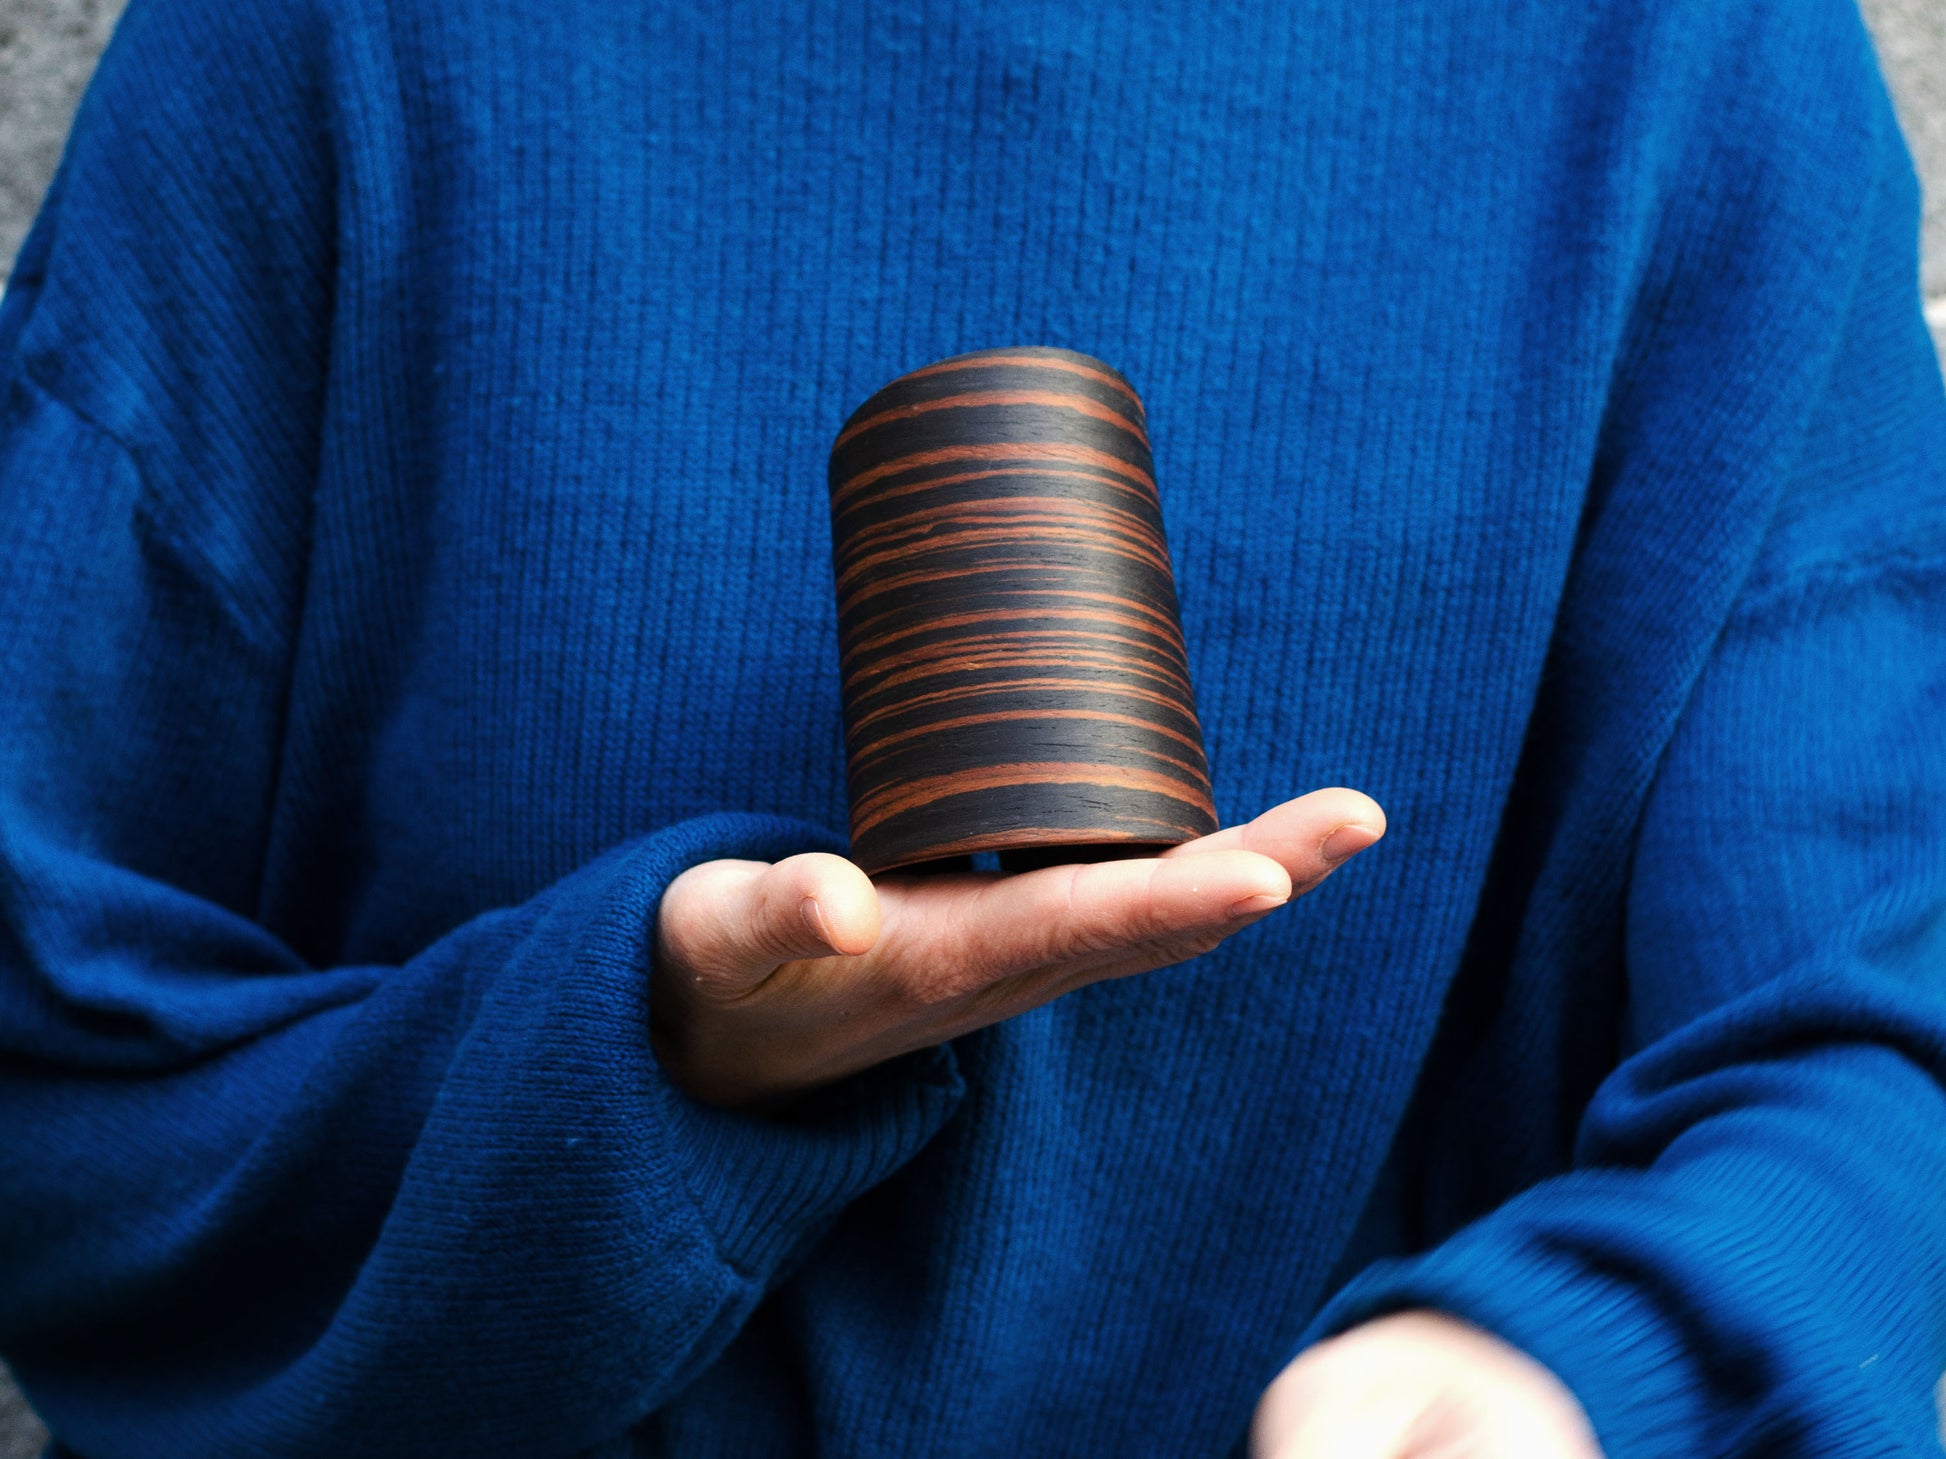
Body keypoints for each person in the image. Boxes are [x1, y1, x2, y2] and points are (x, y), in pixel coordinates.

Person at [0, 0, 1942, 1452]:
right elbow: (54, 1081)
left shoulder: (1684, 54)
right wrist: (644, 1055)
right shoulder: (319, 40)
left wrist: (1580, 1359)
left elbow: (1870, 1029)